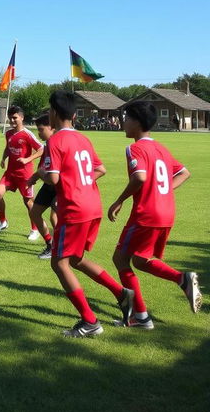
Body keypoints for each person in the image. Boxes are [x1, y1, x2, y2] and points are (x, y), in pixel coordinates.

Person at [38, 90, 133, 338]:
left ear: (55, 113)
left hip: (74, 209)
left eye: (49, 110)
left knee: (59, 263)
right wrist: (79, 182)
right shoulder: (83, 139)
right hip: (93, 205)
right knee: (76, 259)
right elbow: (99, 169)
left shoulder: (54, 141)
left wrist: (41, 173)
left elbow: (53, 178)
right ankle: (122, 294)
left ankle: (90, 321)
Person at [108, 101, 201, 328]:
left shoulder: (135, 148)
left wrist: (119, 200)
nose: (124, 121)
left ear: (137, 122)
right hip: (166, 211)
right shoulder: (161, 148)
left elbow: (139, 177)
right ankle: (182, 279)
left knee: (120, 259)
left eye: (127, 117)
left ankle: (140, 317)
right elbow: (184, 173)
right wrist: (163, 190)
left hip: (146, 213)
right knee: (140, 260)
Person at [0, 105, 44, 240]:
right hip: (10, 172)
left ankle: (35, 229)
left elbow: (41, 149)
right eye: (10, 118)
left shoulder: (27, 134)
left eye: (15, 118)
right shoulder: (8, 133)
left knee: (28, 202)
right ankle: (3, 222)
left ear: (22, 118)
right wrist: (3, 158)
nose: (12, 120)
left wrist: (28, 159)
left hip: (25, 174)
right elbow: (8, 148)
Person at [27, 112, 58, 259]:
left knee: (54, 216)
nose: (39, 133)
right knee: (34, 212)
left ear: (52, 128)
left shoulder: (58, 144)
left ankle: (59, 247)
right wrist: (34, 177)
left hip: (60, 186)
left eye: (41, 129)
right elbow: (42, 167)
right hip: (48, 185)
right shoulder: (47, 145)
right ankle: (50, 244)